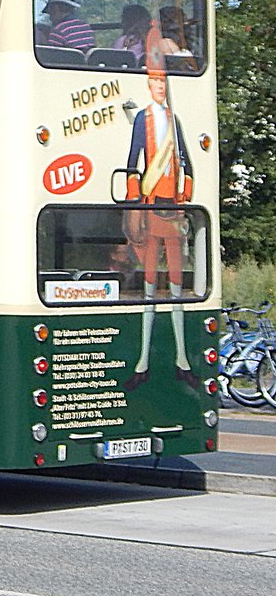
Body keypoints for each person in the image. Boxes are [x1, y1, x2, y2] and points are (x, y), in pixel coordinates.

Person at [122, 27, 196, 391]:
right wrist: (136, 201)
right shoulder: (143, 120)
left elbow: (187, 162)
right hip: (152, 208)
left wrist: (185, 197)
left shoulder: (174, 120)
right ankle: (143, 361)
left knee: (179, 287)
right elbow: (133, 163)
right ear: (148, 87)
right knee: (150, 288)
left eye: (163, 83)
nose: (160, 88)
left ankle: (182, 359)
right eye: (155, 83)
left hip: (174, 210)